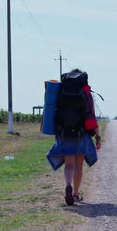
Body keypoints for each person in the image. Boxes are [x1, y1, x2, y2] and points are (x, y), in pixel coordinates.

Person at [46, 69, 102, 205]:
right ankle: (75, 194)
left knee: (69, 165)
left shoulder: (62, 90)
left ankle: (67, 185)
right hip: (81, 133)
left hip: (64, 131)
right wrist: (98, 137)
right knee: (79, 165)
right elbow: (91, 116)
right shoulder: (86, 94)